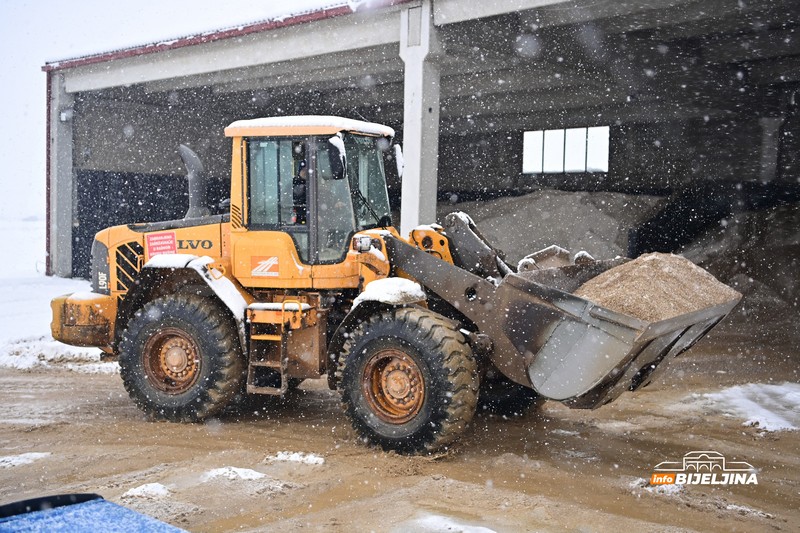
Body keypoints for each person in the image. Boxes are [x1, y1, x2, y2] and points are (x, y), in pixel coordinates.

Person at [292, 160, 307, 224]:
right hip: (298, 218)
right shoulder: (293, 183)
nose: (305, 172)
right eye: (303, 170)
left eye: (307, 170)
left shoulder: (315, 184)